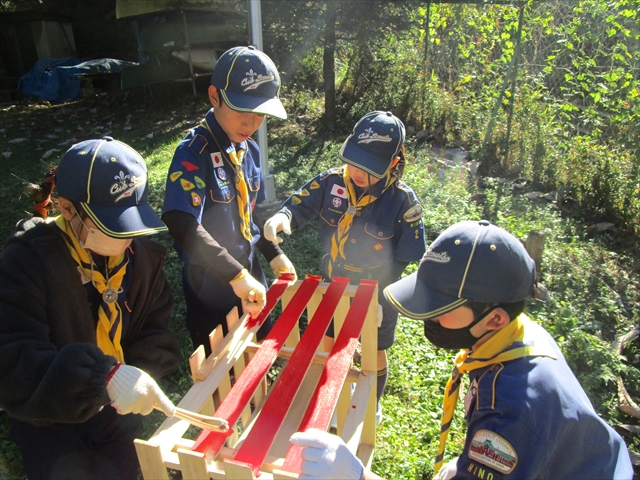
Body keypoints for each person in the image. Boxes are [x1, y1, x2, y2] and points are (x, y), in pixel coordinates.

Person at [290, 220, 634, 480]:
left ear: (494, 318)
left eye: (441, 306)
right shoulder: (516, 338)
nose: (428, 315)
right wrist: (471, 464)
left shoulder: (509, 411)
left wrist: (359, 476)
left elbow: (515, 427)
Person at [0, 137, 181, 480]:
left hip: (115, 408)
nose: (128, 236)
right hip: (52, 412)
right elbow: (13, 358)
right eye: (111, 224)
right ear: (67, 208)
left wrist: (141, 373)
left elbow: (154, 327)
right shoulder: (26, 261)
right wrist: (102, 378)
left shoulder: (141, 258)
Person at [264, 111, 426, 422]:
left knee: (373, 350)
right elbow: (302, 200)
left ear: (393, 163)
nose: (357, 172)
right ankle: (330, 394)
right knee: (329, 342)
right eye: (354, 160)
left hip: (378, 289)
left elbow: (404, 259)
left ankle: (371, 402)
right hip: (335, 282)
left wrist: (382, 297)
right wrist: (284, 217)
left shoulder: (403, 202)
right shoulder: (332, 182)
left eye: (369, 167)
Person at [162, 45, 296, 355]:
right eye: (242, 110)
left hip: (249, 268)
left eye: (260, 113)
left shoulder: (249, 149)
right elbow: (180, 221)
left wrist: (272, 253)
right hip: (209, 279)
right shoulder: (193, 153)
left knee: (260, 344)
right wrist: (233, 275)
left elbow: (250, 212)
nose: (251, 124)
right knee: (222, 360)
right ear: (214, 96)